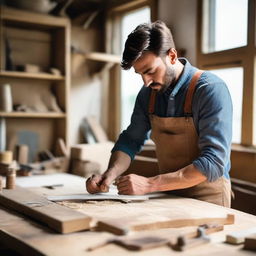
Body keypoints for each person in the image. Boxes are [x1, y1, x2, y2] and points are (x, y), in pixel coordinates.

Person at [86, 20, 233, 207]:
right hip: (167, 194)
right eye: (140, 74)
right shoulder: (148, 94)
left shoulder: (210, 90)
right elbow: (131, 140)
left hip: (208, 197)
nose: (146, 82)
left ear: (172, 56)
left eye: (150, 71)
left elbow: (213, 161)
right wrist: (110, 174)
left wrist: (149, 183)